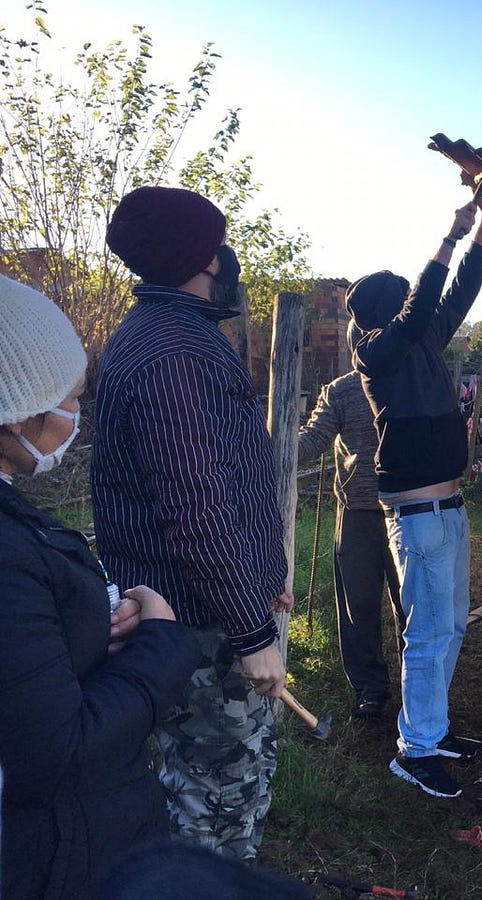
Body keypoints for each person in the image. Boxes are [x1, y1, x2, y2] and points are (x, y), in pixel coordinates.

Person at [92, 186, 294, 862]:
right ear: (205, 256)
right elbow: (195, 507)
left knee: (217, 783)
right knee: (213, 802)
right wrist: (251, 628)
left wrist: (267, 575)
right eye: (217, 243)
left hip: (209, 610)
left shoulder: (167, 334)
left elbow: (229, 479)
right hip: (203, 628)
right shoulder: (176, 350)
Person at [0, 275, 202, 899]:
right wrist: (163, 643)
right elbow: (55, 754)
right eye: (71, 399)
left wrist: (97, 617)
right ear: (20, 407)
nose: (75, 417)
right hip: (56, 862)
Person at [348, 189, 482, 799]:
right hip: (417, 512)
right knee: (428, 632)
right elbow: (421, 307)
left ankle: (431, 728)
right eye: (404, 299)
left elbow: (460, 291)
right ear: (386, 311)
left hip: (450, 509)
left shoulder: (423, 340)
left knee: (450, 626)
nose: (417, 303)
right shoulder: (376, 351)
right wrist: (450, 234)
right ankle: (415, 749)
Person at [297, 322, 402, 719]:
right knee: (358, 605)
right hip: (358, 513)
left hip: (404, 509)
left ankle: (417, 684)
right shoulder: (341, 390)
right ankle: (371, 688)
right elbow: (312, 441)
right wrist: (270, 442)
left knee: (409, 604)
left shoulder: (407, 380)